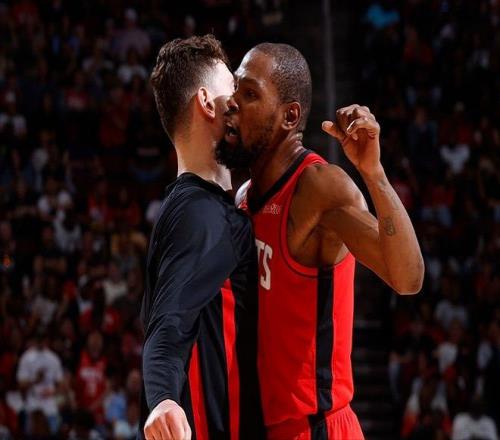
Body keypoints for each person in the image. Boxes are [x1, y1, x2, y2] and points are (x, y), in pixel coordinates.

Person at [216, 43, 424, 440]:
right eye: (235, 89)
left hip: (318, 427)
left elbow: (408, 277)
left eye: (250, 93)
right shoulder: (243, 198)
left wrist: (373, 173)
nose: (233, 103)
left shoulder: (318, 188)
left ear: (289, 116)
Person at [139, 35, 263, 440]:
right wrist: (163, 399)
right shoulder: (201, 214)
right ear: (208, 103)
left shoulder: (198, 206)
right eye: (233, 91)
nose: (240, 104)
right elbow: (168, 327)